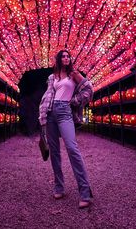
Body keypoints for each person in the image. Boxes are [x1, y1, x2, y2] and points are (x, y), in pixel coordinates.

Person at [39, 50, 93, 209]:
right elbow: (49, 95)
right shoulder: (52, 77)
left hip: (64, 111)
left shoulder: (74, 75)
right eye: (63, 56)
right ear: (58, 59)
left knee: (72, 148)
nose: (66, 58)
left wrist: (74, 101)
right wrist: (42, 112)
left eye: (68, 56)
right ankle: (59, 187)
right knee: (54, 152)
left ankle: (85, 192)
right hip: (50, 114)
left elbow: (89, 90)